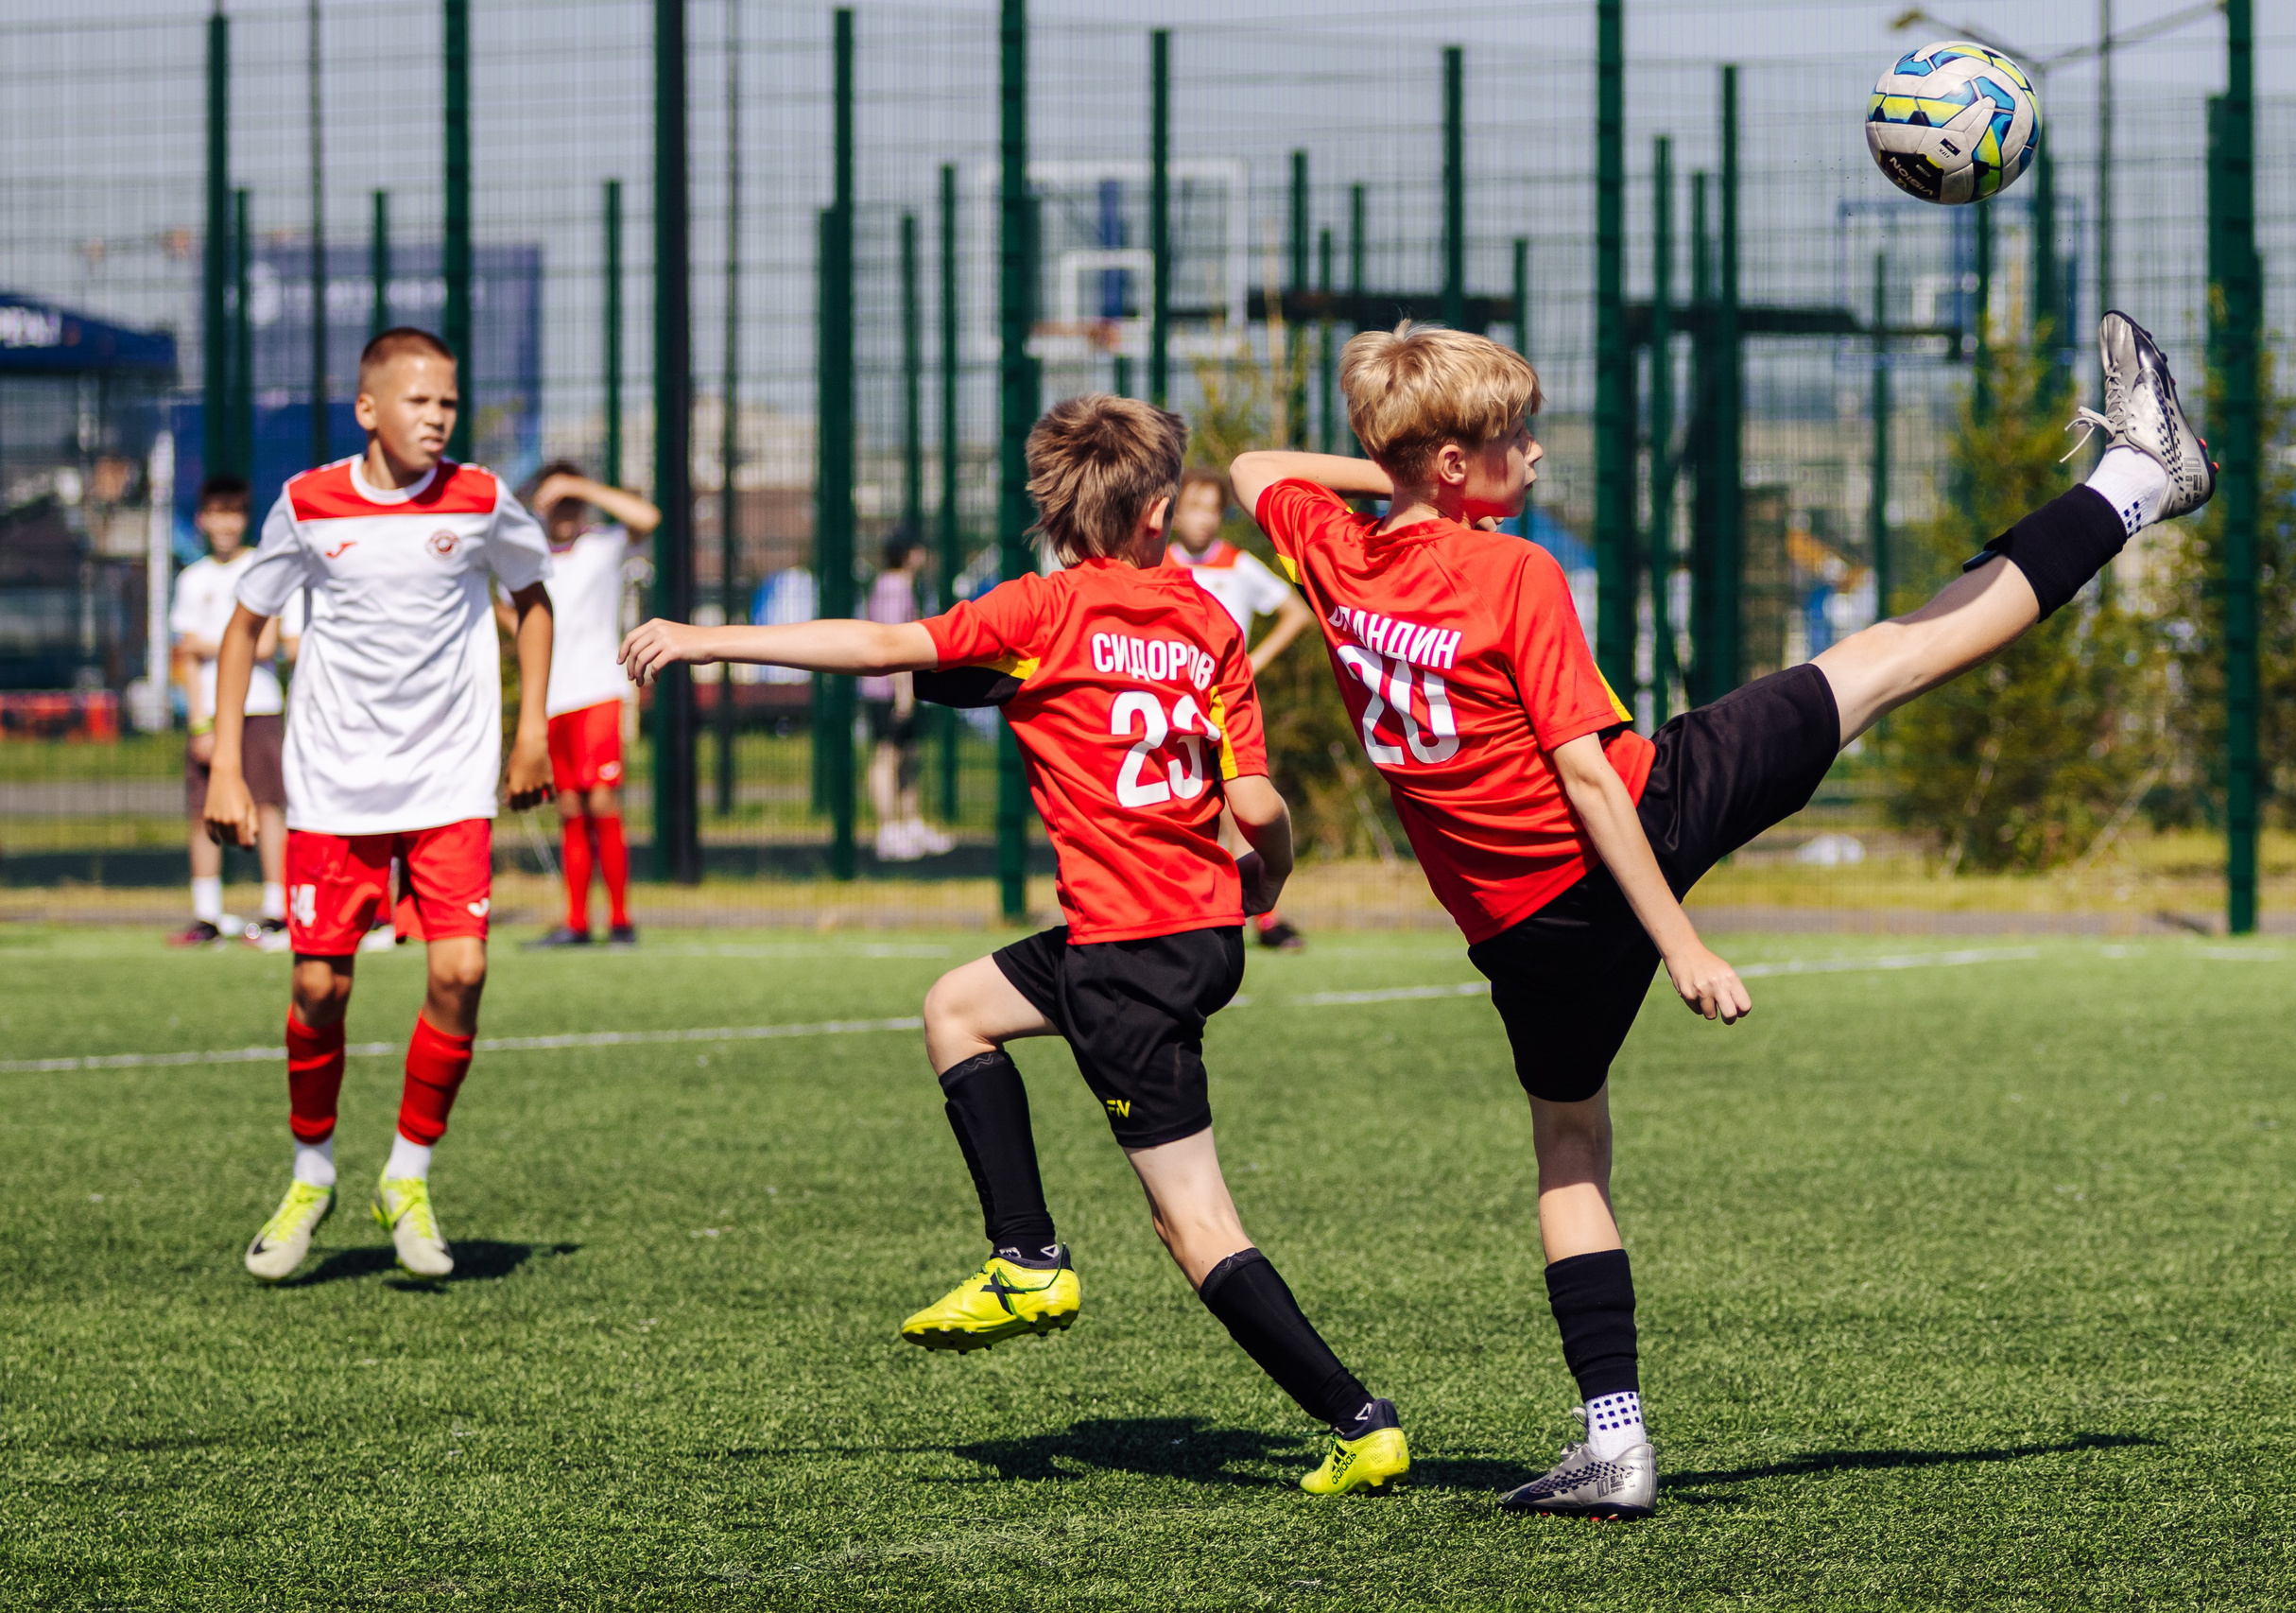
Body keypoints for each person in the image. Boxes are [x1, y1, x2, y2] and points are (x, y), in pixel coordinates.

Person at [1230, 311, 2210, 1518]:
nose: (1532, 456)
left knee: (1569, 1146)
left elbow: (1251, 471)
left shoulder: (1334, 553)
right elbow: (1590, 777)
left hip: (1515, 932)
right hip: (1644, 821)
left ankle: (1614, 1439)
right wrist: (1680, 940)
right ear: (1448, 465)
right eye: (1508, 438)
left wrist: (1395, 475)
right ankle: (2136, 482)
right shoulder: (1513, 572)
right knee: (1888, 661)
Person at [621, 393, 1410, 1498]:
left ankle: (1356, 1415)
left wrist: (711, 638)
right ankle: (1025, 1255)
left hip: (1125, 954)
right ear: (1156, 511)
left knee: (1194, 1222)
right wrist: (1263, 885)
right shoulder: (1207, 619)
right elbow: (1261, 804)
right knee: (957, 1006)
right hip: (1196, 929)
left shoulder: (1046, 610)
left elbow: (883, 645)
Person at [206, 326, 558, 1285]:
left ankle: (407, 1173)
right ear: (369, 409)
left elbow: (533, 595)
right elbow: (247, 625)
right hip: (331, 785)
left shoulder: (483, 498)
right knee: (319, 988)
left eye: (447, 402)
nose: (437, 418)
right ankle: (311, 1173)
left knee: (464, 968)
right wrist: (232, 766)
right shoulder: (308, 503)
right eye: (418, 402)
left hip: (448, 781)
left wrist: (531, 732)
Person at [1164, 468, 1317, 949]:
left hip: (1226, 707)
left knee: (1242, 810)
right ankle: (1180, 910)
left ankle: (1261, 916)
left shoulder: (1238, 564)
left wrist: (1252, 662)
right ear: (1172, 512)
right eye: (1194, 506)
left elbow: (1297, 612)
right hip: (1169, 707)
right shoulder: (1156, 563)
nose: (1204, 518)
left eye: (1213, 508)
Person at [516, 460, 660, 948]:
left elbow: (647, 518)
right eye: (555, 503)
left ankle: (621, 920)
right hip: (553, 699)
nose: (564, 513)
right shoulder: (529, 557)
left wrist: (578, 485)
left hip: (598, 691)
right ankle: (576, 922)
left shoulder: (602, 546)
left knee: (602, 802)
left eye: (570, 503)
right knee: (570, 808)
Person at [167, 475, 301, 948]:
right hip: (210, 715)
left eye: (234, 512)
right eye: (215, 512)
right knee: (203, 809)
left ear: (245, 519)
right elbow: (185, 653)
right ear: (202, 519)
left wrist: (215, 644)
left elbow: (265, 642)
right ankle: (207, 913)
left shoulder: (261, 568)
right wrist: (200, 722)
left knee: (267, 804)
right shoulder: (192, 579)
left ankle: (276, 907)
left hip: (260, 709)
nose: (224, 523)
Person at [862, 529, 953, 861]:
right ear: (907, 553)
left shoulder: (905, 587)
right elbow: (892, 645)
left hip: (903, 689)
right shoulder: (893, 587)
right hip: (886, 690)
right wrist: (903, 692)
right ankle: (888, 830)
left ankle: (910, 823)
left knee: (908, 755)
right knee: (886, 757)